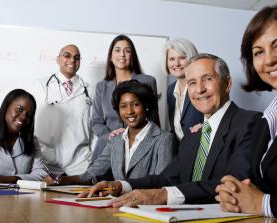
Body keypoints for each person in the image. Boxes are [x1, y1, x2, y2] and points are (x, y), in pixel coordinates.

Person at [79, 53, 260, 207]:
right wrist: (120, 185)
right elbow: (166, 179)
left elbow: (235, 183)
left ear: (227, 84)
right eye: (192, 83)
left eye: (208, 79)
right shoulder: (193, 136)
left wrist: (164, 195)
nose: (200, 89)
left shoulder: (250, 123)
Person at [215, 3, 277, 222]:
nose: (269, 59)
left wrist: (263, 203)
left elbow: (265, 200)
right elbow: (264, 186)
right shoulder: (265, 119)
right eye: (259, 52)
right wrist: (237, 194)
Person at [44, 80, 174, 185]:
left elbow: (162, 183)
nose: (129, 111)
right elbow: (93, 173)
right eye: (123, 106)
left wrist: (121, 188)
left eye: (135, 104)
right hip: (118, 206)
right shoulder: (116, 139)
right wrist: (63, 180)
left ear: (146, 106)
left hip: (145, 209)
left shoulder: (163, 139)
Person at [91, 34, 160, 160]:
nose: (122, 54)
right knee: (96, 178)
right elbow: (96, 122)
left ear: (132, 56)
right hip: (108, 146)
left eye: (127, 51)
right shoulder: (102, 86)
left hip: (138, 146)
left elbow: (154, 120)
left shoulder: (147, 81)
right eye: (117, 50)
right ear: (111, 57)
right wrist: (108, 135)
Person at [32, 44, 93, 176]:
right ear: (58, 59)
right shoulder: (41, 85)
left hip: (81, 165)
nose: (72, 60)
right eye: (67, 56)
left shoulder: (90, 90)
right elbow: (31, 123)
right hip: (47, 164)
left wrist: (93, 159)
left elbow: (94, 128)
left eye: (77, 58)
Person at [0, 89, 45, 183]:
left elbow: (41, 174)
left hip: (20, 196)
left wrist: (8, 179)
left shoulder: (31, 141)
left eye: (29, 115)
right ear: (6, 106)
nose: (24, 117)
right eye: (19, 109)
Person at [163, 38, 203, 141]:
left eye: (182, 58)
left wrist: (205, 127)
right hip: (180, 151)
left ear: (192, 58)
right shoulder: (170, 90)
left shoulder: (202, 87)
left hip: (202, 149)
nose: (176, 64)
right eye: (171, 59)